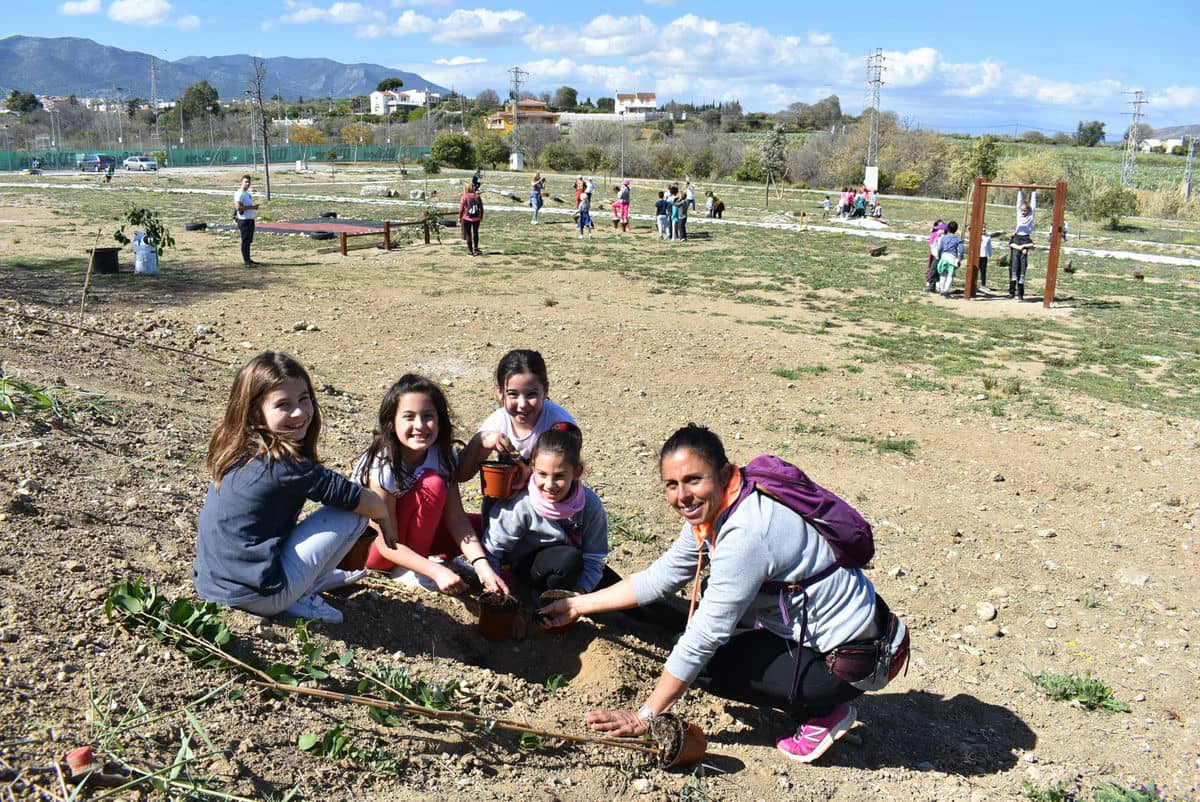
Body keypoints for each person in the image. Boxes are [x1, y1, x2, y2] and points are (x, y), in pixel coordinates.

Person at [539, 425, 906, 764]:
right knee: (700, 639)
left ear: (724, 472)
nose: (682, 496)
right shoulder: (721, 504)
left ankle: (823, 710)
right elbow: (662, 577)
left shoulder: (746, 534)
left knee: (707, 666)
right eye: (671, 484)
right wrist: (578, 604)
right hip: (846, 628)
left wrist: (644, 715)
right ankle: (807, 687)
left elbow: (704, 635)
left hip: (852, 659)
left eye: (693, 479)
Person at [192, 352, 397, 625]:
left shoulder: (238, 447)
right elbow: (369, 503)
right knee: (354, 512)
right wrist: (385, 521)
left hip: (212, 583)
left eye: (304, 399)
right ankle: (300, 593)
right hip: (256, 596)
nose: (299, 412)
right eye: (283, 405)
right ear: (255, 411)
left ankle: (308, 579)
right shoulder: (283, 464)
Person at [350, 374, 507, 596]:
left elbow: (456, 518)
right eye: (409, 417)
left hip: (412, 534)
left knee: (485, 527)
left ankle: (431, 562)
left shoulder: (442, 454)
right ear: (392, 423)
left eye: (427, 416)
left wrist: (482, 566)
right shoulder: (383, 463)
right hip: (375, 549)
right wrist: (434, 572)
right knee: (432, 485)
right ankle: (411, 568)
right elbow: (386, 543)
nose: (420, 425)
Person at [483, 423, 609, 597]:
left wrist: (581, 593)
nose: (549, 485)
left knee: (631, 600)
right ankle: (542, 603)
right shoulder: (522, 502)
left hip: (575, 564)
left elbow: (594, 558)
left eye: (559, 476)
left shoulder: (589, 504)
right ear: (533, 468)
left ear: (576, 472)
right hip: (529, 567)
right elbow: (492, 549)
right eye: (542, 474)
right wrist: (498, 590)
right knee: (568, 561)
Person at [456, 349, 577, 485]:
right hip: (508, 497)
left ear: (545, 390)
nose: (522, 404)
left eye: (531, 394)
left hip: (552, 497)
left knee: (590, 500)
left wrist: (529, 475)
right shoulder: (499, 422)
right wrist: (479, 440)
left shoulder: (560, 424)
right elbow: (461, 475)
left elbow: (568, 477)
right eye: (513, 394)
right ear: (500, 392)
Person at [1009, 191, 1037, 300]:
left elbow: (1033, 206)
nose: (1023, 212)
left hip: (1025, 238)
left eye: (1025, 210)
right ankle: (1011, 292)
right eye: (1022, 210)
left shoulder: (1030, 215)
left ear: (1028, 211)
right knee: (1014, 263)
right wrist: (1020, 190)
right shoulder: (1018, 214)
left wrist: (1034, 192)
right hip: (1017, 237)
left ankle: (1020, 293)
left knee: (1023, 263)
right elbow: (1018, 203)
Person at [234, 174, 260, 267]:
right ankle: (246, 261)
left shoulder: (247, 194)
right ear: (241, 182)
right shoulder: (239, 193)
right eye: (246, 182)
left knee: (249, 240)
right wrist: (252, 207)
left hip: (250, 220)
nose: (248, 184)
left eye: (249, 182)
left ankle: (249, 259)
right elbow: (238, 207)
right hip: (244, 220)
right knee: (245, 241)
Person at [934, 221, 964, 297]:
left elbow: (940, 248)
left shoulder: (944, 237)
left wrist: (939, 255)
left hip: (944, 257)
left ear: (948, 229)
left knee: (943, 274)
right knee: (950, 275)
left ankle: (942, 289)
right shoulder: (958, 239)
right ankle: (946, 291)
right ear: (956, 229)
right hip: (952, 258)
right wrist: (960, 259)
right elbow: (961, 250)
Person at [460, 180, 484, 257]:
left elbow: (461, 209)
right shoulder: (477, 196)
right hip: (476, 218)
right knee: (476, 233)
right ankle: (476, 248)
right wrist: (481, 216)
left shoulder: (464, 196)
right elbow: (481, 208)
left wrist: (460, 217)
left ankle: (470, 252)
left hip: (467, 218)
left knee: (468, 234)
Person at [925, 221, 946, 292]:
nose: (937, 231)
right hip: (936, 256)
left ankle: (935, 286)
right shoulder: (936, 236)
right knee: (933, 270)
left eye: (939, 229)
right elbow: (933, 245)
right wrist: (935, 254)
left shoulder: (944, 238)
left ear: (943, 231)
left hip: (941, 256)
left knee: (936, 271)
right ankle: (932, 285)